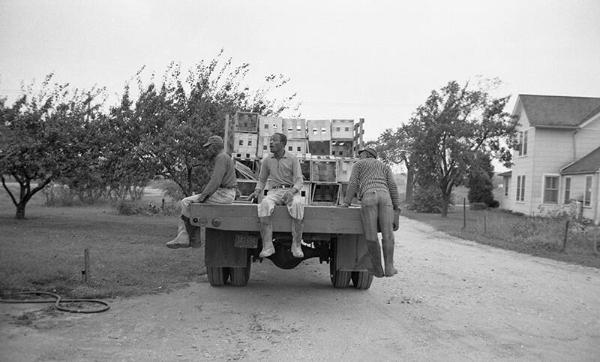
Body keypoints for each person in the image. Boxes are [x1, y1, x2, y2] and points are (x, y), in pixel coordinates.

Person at [166, 135, 237, 248]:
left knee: (186, 202)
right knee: (193, 206)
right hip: (226, 193)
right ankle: (194, 240)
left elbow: (215, 181)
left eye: (209, 147)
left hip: (224, 194)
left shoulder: (221, 157)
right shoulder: (225, 157)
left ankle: (184, 237)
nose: (207, 150)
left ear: (214, 146)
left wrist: (203, 197)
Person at [342, 147, 401, 277]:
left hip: (369, 197)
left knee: (371, 235)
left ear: (368, 154)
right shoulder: (385, 166)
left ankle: (377, 269)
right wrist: (396, 207)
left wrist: (346, 202)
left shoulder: (359, 165)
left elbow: (353, 183)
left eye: (360, 154)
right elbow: (392, 186)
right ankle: (390, 268)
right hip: (385, 198)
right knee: (388, 234)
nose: (359, 156)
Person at [249, 132, 305, 258]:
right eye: (270, 140)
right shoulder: (267, 160)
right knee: (264, 204)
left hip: (290, 190)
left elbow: (299, 180)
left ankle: (296, 245)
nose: (271, 143)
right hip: (274, 191)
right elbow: (262, 179)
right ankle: (268, 246)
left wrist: (292, 192)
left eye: (274, 140)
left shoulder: (292, 159)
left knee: (297, 204)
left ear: (283, 144)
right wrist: (257, 191)